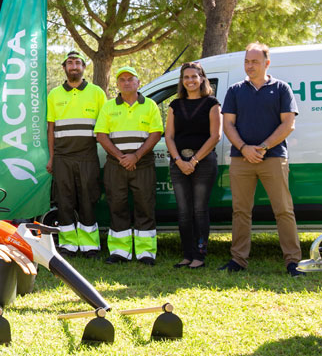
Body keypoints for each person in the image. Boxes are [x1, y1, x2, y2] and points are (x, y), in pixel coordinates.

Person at [219, 42, 303, 276]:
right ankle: (238, 260)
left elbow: (289, 124)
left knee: (284, 210)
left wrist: (263, 147)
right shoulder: (235, 90)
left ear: (267, 63)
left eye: (255, 61)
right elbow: (228, 124)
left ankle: (293, 261)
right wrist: (245, 148)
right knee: (241, 211)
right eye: (247, 61)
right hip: (241, 158)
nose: (249, 66)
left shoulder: (281, 88)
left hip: (274, 157)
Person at [94, 66, 163, 266]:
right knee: (117, 206)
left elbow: (156, 133)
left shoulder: (149, 105)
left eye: (130, 79)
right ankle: (119, 251)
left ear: (138, 82)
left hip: (143, 164)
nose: (126, 82)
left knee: (145, 205)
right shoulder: (108, 107)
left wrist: (136, 156)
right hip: (116, 165)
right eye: (122, 79)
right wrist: (122, 157)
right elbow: (101, 135)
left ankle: (146, 253)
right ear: (117, 84)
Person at [46, 51, 107, 258]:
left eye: (78, 63)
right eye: (70, 63)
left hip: (88, 155)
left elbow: (104, 127)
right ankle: (68, 245)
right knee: (65, 201)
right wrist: (52, 158)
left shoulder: (97, 93)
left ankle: (90, 245)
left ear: (83, 68)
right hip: (63, 156)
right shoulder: (54, 94)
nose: (74, 66)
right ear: (64, 67)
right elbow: (51, 128)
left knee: (88, 199)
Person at [165, 62, 220, 269]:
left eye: (194, 77)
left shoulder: (212, 103)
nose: (190, 81)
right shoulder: (174, 106)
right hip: (178, 163)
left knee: (199, 210)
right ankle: (187, 255)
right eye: (186, 77)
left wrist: (194, 160)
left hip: (203, 163)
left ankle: (200, 255)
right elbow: (169, 136)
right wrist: (179, 161)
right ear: (182, 81)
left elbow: (215, 136)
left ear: (202, 79)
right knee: (183, 211)